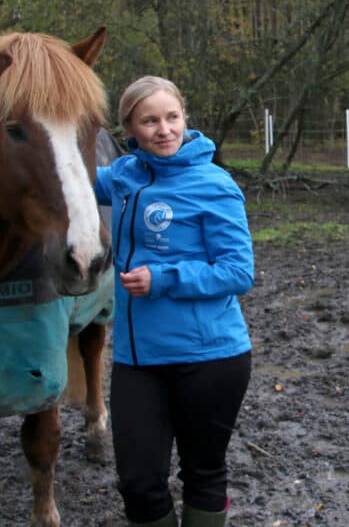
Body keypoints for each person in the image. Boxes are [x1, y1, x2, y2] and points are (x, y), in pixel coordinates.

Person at [94, 76, 254, 527]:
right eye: (149, 121)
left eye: (172, 117)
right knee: (138, 482)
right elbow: (67, 177)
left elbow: (238, 272)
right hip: (137, 360)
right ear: (129, 128)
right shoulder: (123, 176)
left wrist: (163, 278)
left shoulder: (214, 184)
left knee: (203, 473)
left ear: (185, 118)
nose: (164, 129)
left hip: (210, 357)